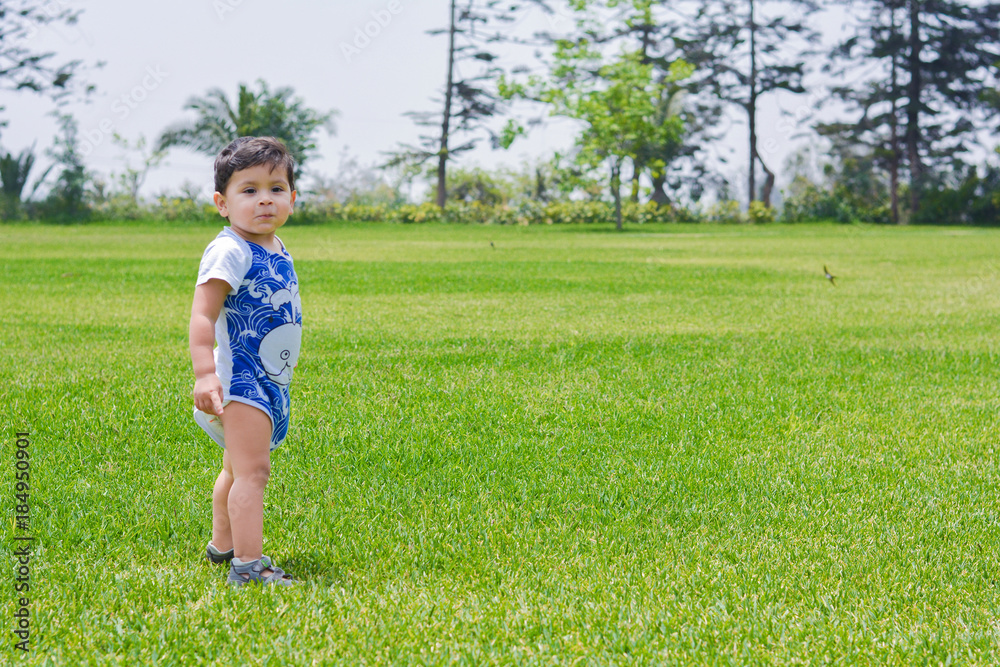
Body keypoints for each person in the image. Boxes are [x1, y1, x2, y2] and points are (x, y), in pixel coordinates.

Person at [189, 136, 302, 586]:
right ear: (222, 203)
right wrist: (205, 374)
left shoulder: (275, 245)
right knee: (254, 473)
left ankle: (224, 545)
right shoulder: (230, 250)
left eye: (276, 189)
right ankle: (249, 566)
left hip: (269, 380)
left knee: (235, 469)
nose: (265, 200)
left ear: (293, 197)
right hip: (242, 383)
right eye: (249, 190)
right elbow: (202, 314)